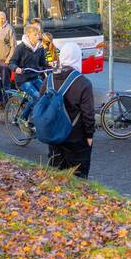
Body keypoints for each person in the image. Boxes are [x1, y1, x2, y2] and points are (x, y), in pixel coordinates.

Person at [47, 42, 96, 178]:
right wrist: (89, 135)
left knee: (56, 175)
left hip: (54, 136)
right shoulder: (83, 83)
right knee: (78, 178)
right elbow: (88, 114)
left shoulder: (49, 79)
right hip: (76, 137)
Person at [8, 23, 47, 122]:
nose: (38, 36)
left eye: (38, 34)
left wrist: (52, 66)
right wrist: (16, 68)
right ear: (28, 35)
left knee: (46, 93)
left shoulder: (40, 48)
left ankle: (37, 117)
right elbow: (11, 63)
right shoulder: (21, 47)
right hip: (23, 80)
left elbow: (43, 63)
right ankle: (26, 118)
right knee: (37, 96)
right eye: (35, 35)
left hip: (35, 77)